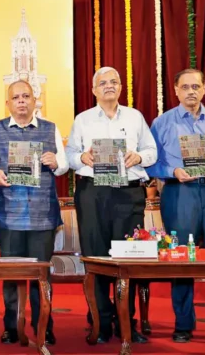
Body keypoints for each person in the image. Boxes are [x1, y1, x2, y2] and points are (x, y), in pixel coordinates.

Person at [65, 66, 157, 344]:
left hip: (128, 193)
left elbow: (152, 151)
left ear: (120, 87)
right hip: (93, 193)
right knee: (96, 258)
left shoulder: (135, 116)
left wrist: (138, 157)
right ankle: (100, 322)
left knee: (128, 258)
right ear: (94, 90)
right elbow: (69, 155)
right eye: (103, 82)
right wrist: (82, 157)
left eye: (114, 81)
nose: (109, 86)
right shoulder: (82, 119)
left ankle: (127, 322)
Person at [0, 80, 68, 346]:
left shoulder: (50, 128)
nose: (22, 101)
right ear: (8, 103)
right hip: (9, 214)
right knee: (11, 274)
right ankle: (12, 327)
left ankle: (44, 325)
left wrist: (56, 162)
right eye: (16, 98)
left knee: (41, 275)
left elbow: (65, 164)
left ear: (35, 101)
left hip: (42, 215)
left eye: (26, 96)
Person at [146, 68, 205, 343]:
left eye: (196, 86)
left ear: (204, 88)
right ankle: (183, 324)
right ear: (175, 90)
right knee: (181, 259)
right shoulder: (162, 123)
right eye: (185, 87)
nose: (191, 92)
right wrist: (173, 171)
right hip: (179, 193)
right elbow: (149, 163)